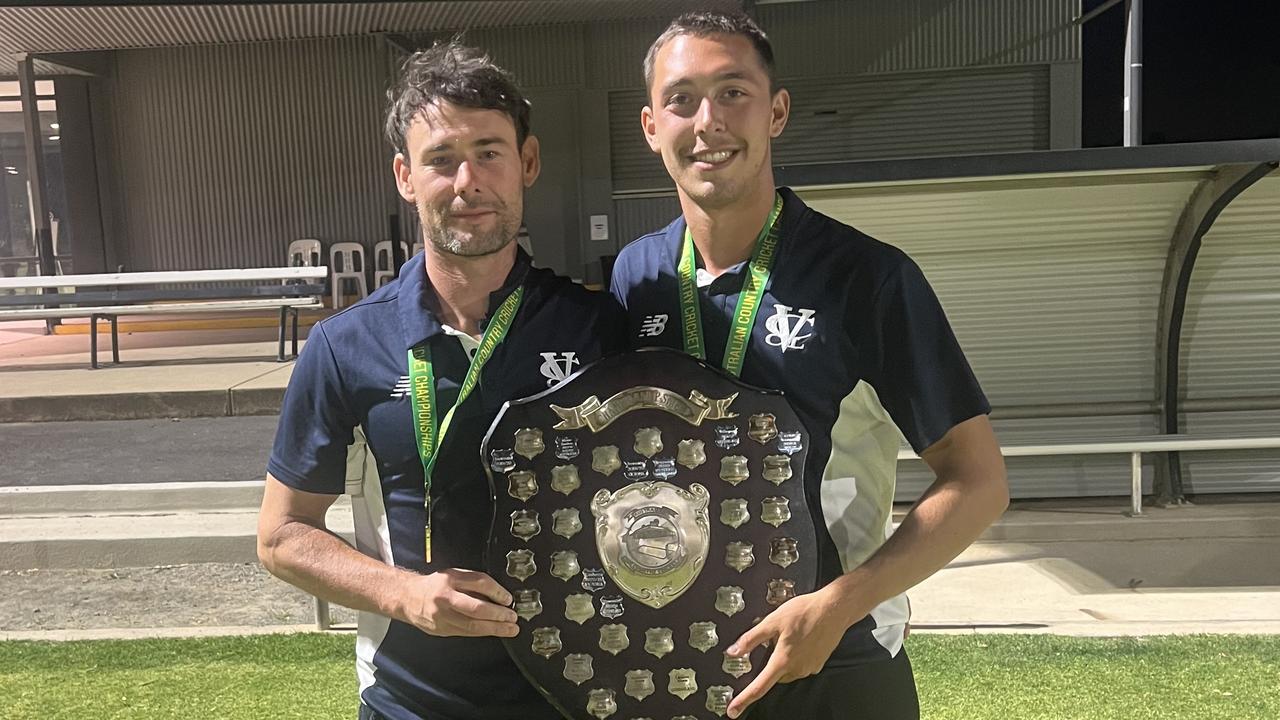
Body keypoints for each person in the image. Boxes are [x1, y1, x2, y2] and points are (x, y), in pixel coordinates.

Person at [610, 12, 1009, 719]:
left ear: (777, 111)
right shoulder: (635, 276)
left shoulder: (868, 278)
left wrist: (839, 605)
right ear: (650, 126)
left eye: (734, 92)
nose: (708, 121)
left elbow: (977, 481)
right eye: (682, 99)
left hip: (836, 662)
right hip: (674, 660)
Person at [258, 41, 624, 720]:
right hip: (412, 702)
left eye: (489, 152)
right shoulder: (346, 345)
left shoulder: (599, 328)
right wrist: (405, 595)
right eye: (441, 160)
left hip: (578, 697)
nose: (467, 183)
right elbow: (282, 537)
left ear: (529, 163)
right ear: (405, 176)